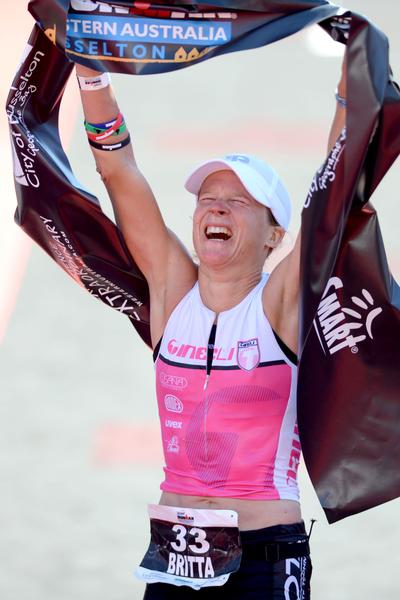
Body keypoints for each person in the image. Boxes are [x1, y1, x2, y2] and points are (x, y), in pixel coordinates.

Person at [75, 53, 346, 598]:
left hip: (265, 556)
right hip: (173, 559)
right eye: (207, 199)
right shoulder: (174, 291)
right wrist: (90, 72)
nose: (215, 210)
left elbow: (334, 190)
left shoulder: (280, 302)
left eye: (237, 202)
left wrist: (349, 82)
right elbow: (117, 169)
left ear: (274, 236)